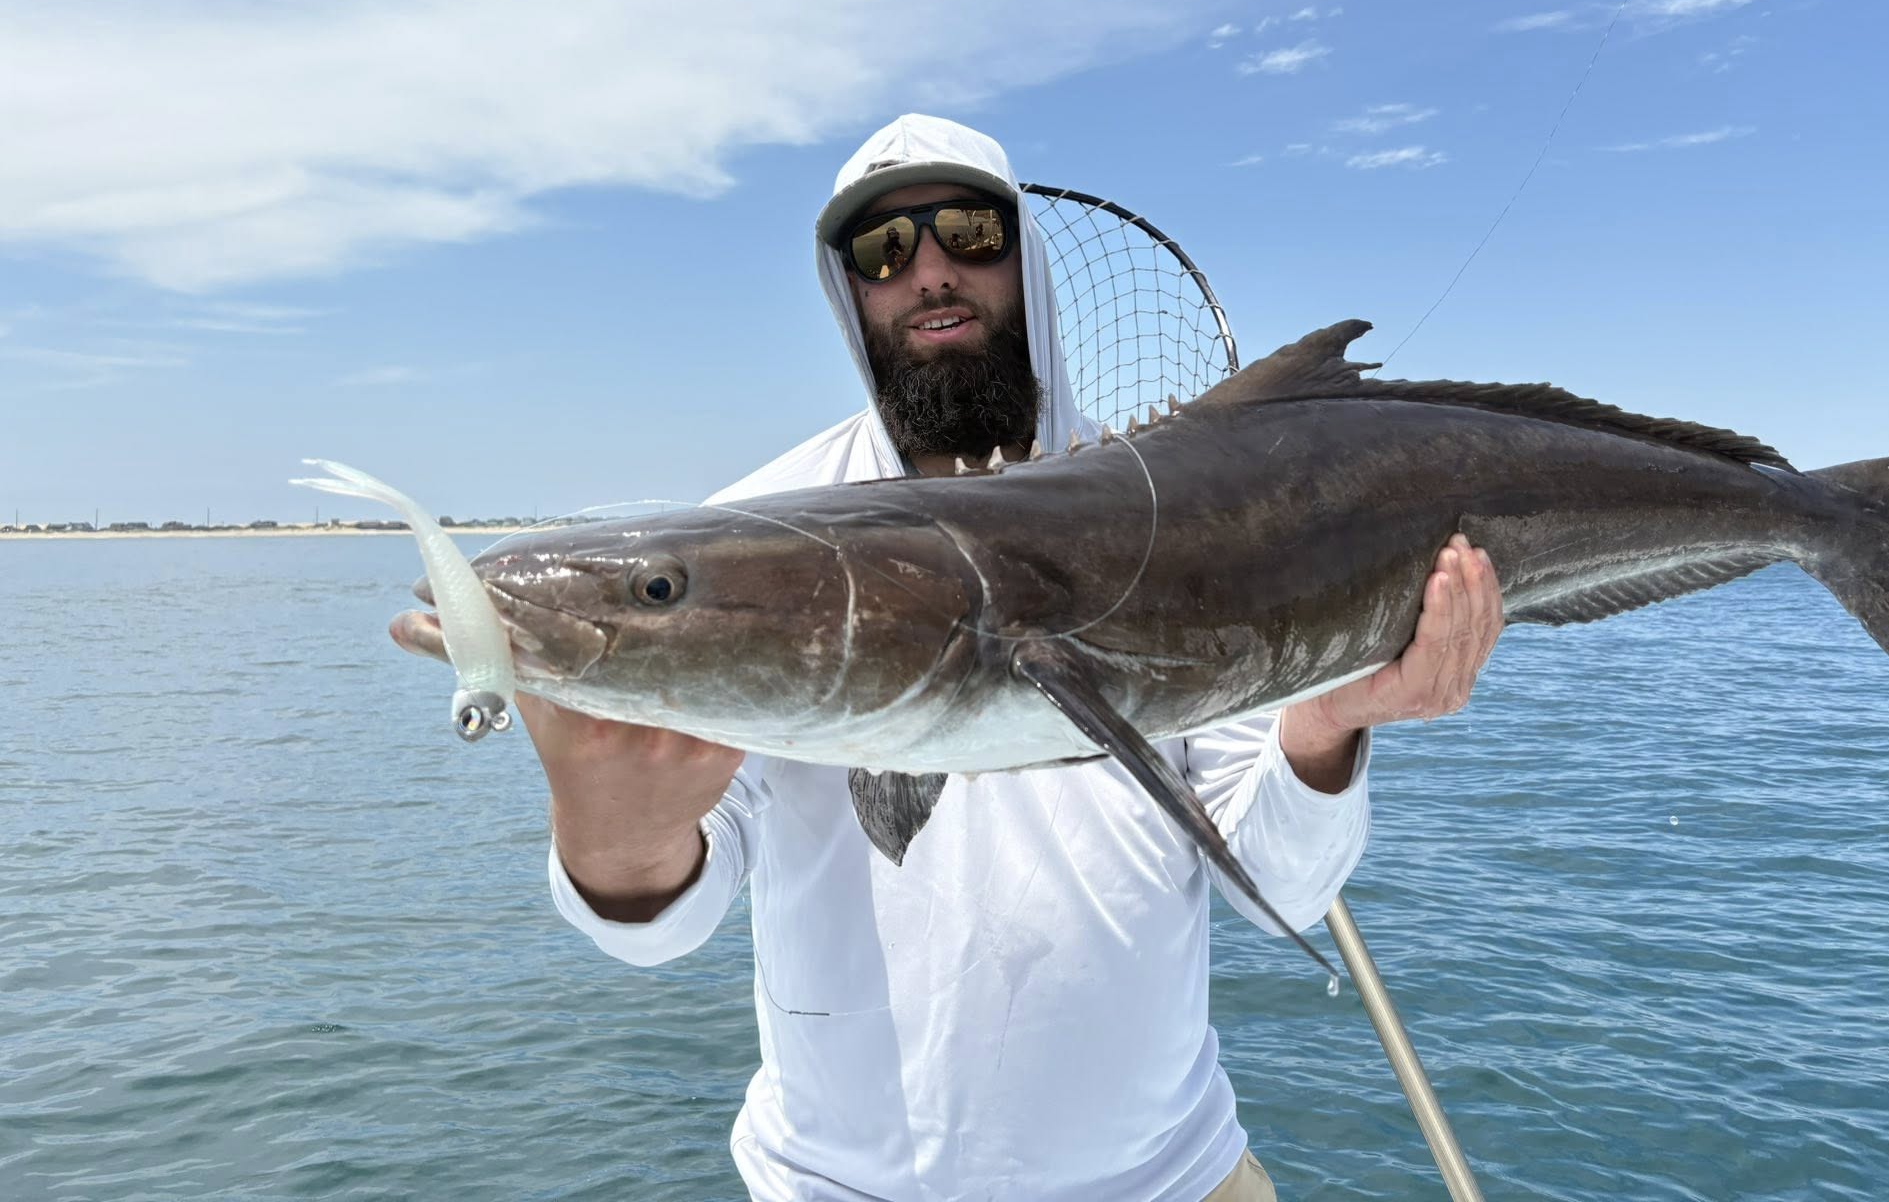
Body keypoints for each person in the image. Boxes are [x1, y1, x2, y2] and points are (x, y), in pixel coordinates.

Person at [395, 114, 1503, 1201]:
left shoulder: (1185, 522)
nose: (925, 271)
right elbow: (658, 932)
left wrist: (1325, 725)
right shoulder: (742, 536)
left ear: (1022, 258)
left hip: (1171, 1180)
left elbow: (1286, 892)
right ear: (849, 291)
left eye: (966, 233)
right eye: (882, 250)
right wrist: (611, 829)